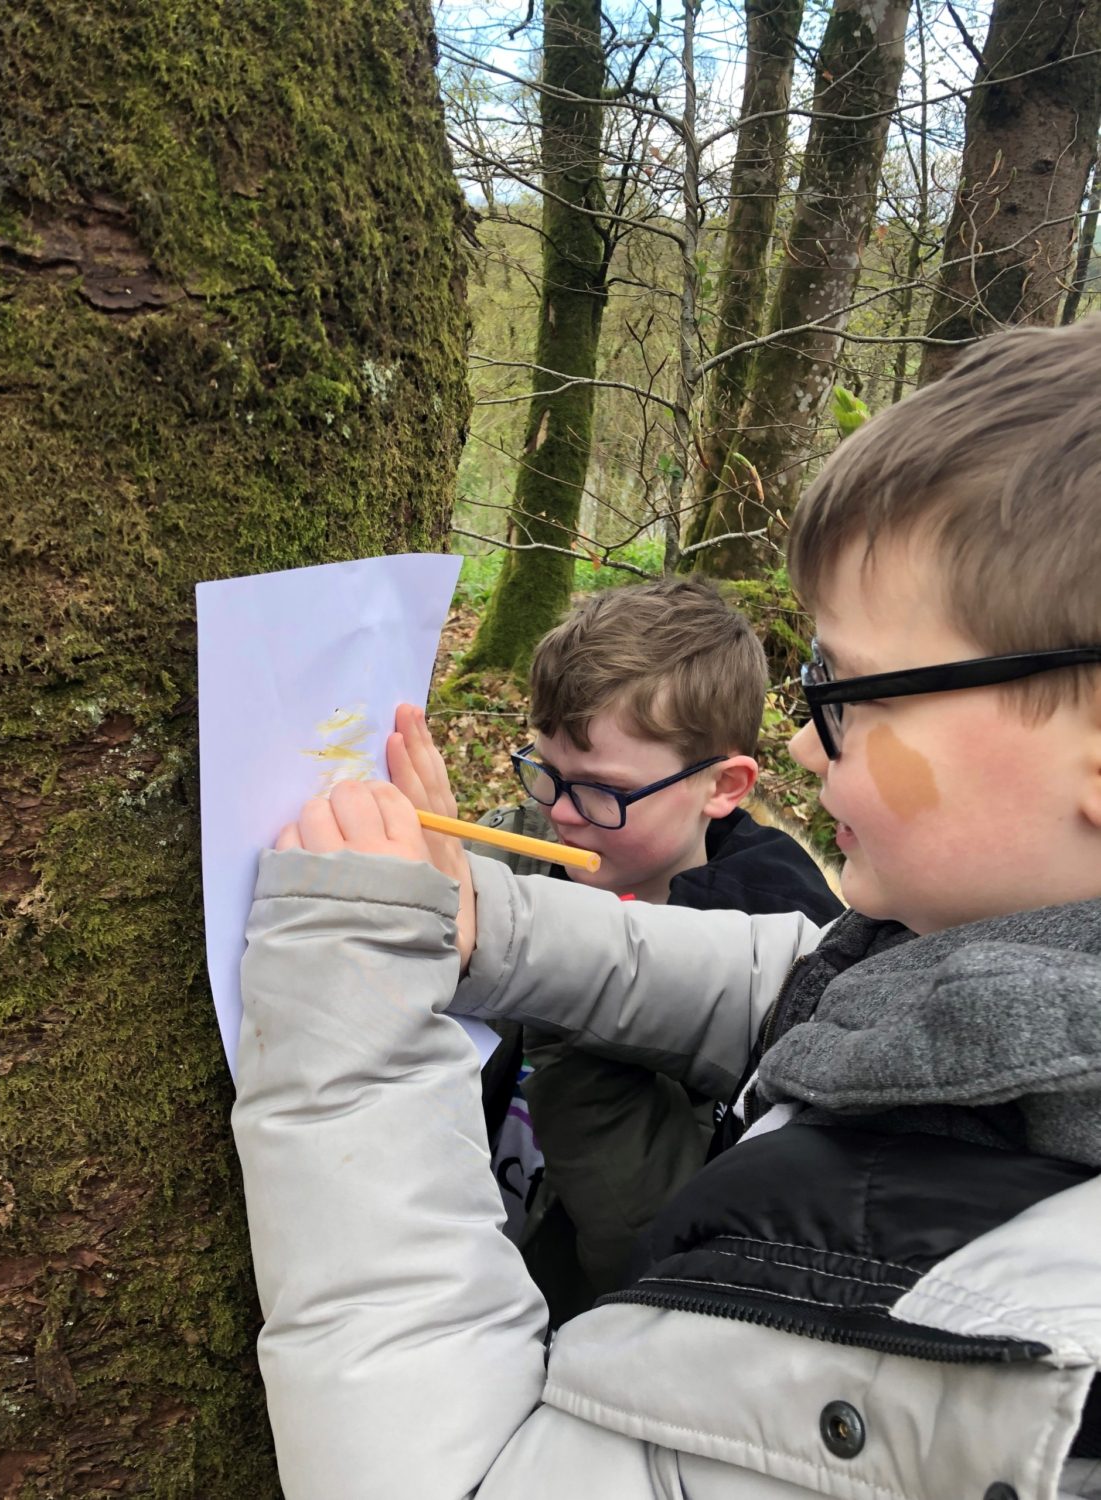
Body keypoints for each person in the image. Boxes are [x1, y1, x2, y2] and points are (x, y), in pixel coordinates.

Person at [232, 319, 1101, 1500]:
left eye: (844, 693)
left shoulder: (983, 1317)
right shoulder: (991, 964)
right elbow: (793, 981)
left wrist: (354, 1008)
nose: (802, 737)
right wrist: (484, 915)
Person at [471, 579, 842, 1314]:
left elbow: (653, 1254)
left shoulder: (785, 977)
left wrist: (568, 1001)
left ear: (722, 786)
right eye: (544, 772)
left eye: (601, 793)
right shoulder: (520, 850)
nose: (561, 815)